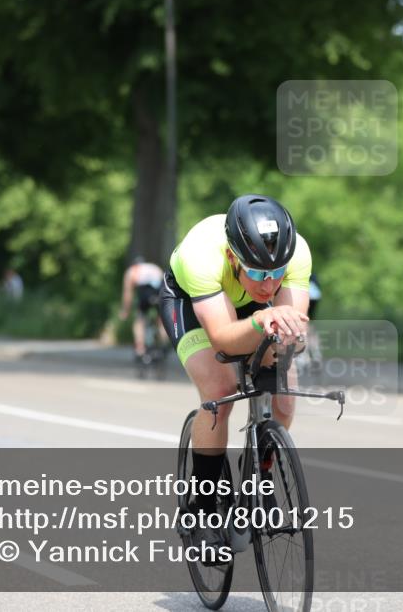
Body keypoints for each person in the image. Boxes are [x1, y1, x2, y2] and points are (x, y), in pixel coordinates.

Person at [160, 194, 311, 550]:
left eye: (277, 274)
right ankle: (203, 509)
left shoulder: (296, 254)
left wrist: (288, 340)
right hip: (191, 301)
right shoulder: (203, 256)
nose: (269, 285)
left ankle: (259, 476)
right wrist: (261, 321)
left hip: (252, 310)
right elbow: (225, 342)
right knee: (220, 391)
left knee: (284, 399)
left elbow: (295, 336)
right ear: (232, 256)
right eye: (259, 273)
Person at [119, 256, 166, 360]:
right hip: (160, 291)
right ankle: (163, 343)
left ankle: (140, 348)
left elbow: (128, 294)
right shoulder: (154, 267)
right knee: (161, 319)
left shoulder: (131, 271)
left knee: (139, 319)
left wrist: (125, 311)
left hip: (145, 292)